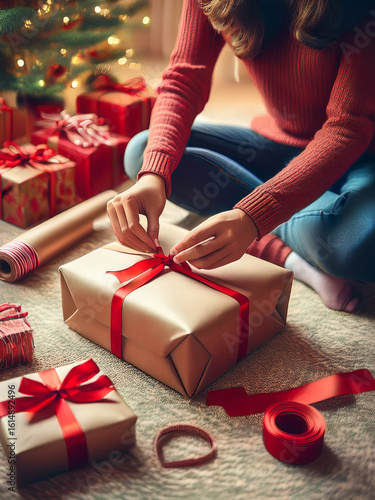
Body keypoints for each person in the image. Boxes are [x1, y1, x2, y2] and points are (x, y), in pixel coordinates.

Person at [107, 0, 375, 312]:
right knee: (144, 154)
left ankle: (260, 222)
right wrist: (153, 175)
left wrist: (253, 216)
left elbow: (347, 129)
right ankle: (289, 249)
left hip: (362, 157)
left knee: (356, 246)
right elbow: (182, 81)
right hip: (277, 145)